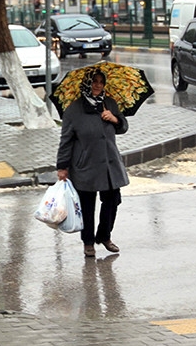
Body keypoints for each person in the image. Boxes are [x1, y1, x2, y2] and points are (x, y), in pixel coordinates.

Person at [56, 69, 130, 258]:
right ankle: (88, 243)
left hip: (109, 165)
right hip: (85, 166)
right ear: (86, 84)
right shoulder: (74, 110)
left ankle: (104, 236)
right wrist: (62, 167)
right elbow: (65, 141)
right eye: (94, 82)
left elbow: (123, 126)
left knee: (113, 200)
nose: (98, 85)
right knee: (87, 206)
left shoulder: (109, 103)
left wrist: (114, 119)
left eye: (101, 82)